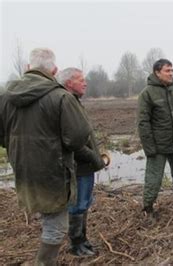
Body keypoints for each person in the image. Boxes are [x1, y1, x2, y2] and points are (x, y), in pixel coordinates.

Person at [0, 48, 92, 264]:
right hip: (54, 172)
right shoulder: (60, 97)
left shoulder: (5, 98)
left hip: (23, 171)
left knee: (47, 218)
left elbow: (2, 136)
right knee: (56, 228)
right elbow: (77, 138)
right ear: (54, 70)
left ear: (27, 68)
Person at [57, 67, 110, 257]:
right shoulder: (66, 101)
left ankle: (83, 239)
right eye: (81, 80)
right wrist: (94, 158)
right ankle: (76, 244)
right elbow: (73, 141)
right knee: (78, 205)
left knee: (84, 203)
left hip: (85, 165)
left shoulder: (75, 102)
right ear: (69, 83)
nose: (85, 83)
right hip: (77, 166)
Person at [137, 59, 173, 218]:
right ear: (157, 72)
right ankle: (148, 209)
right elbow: (143, 123)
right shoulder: (147, 94)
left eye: (172, 70)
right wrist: (149, 148)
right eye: (167, 71)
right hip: (158, 147)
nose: (171, 73)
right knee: (153, 180)